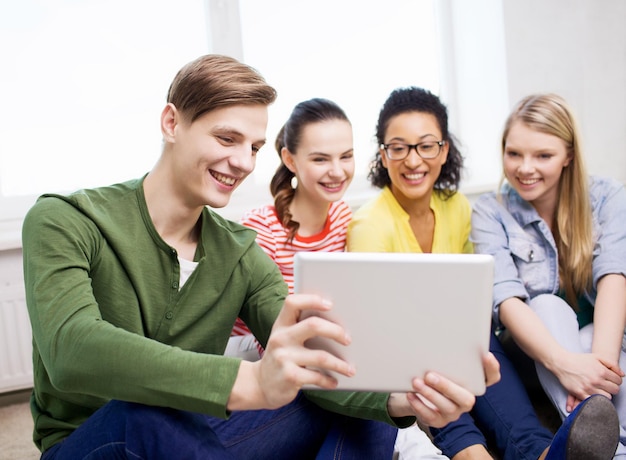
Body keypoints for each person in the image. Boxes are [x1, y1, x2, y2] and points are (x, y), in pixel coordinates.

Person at [21, 54, 501, 459]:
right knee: (141, 412)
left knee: (361, 411)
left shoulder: (239, 250)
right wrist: (249, 381)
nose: (244, 163)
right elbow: (71, 349)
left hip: (200, 433)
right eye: (226, 139)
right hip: (101, 442)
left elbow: (314, 357)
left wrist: (402, 399)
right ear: (172, 123)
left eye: (253, 147)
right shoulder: (64, 220)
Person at [346, 86, 620, 460]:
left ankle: (538, 452)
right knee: (438, 343)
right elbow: (376, 326)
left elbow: (470, 297)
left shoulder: (456, 206)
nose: (413, 160)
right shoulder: (370, 225)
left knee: (473, 335)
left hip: (461, 340)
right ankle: (473, 454)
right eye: (399, 147)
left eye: (426, 145)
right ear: (383, 154)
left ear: (444, 150)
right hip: (405, 351)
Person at [230, 97, 448, 459]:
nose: (337, 171)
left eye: (345, 156)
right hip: (263, 356)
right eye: (320, 159)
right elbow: (267, 332)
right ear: (290, 160)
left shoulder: (345, 219)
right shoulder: (260, 228)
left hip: (331, 357)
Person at [471, 93, 626, 457]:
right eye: (514, 154)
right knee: (546, 305)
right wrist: (566, 364)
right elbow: (506, 299)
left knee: (592, 334)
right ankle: (599, 440)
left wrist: (596, 381)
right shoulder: (491, 211)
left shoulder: (606, 197)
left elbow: (613, 279)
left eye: (543, 155)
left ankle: (610, 442)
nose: (525, 168)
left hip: (601, 349)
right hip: (537, 353)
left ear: (568, 155)